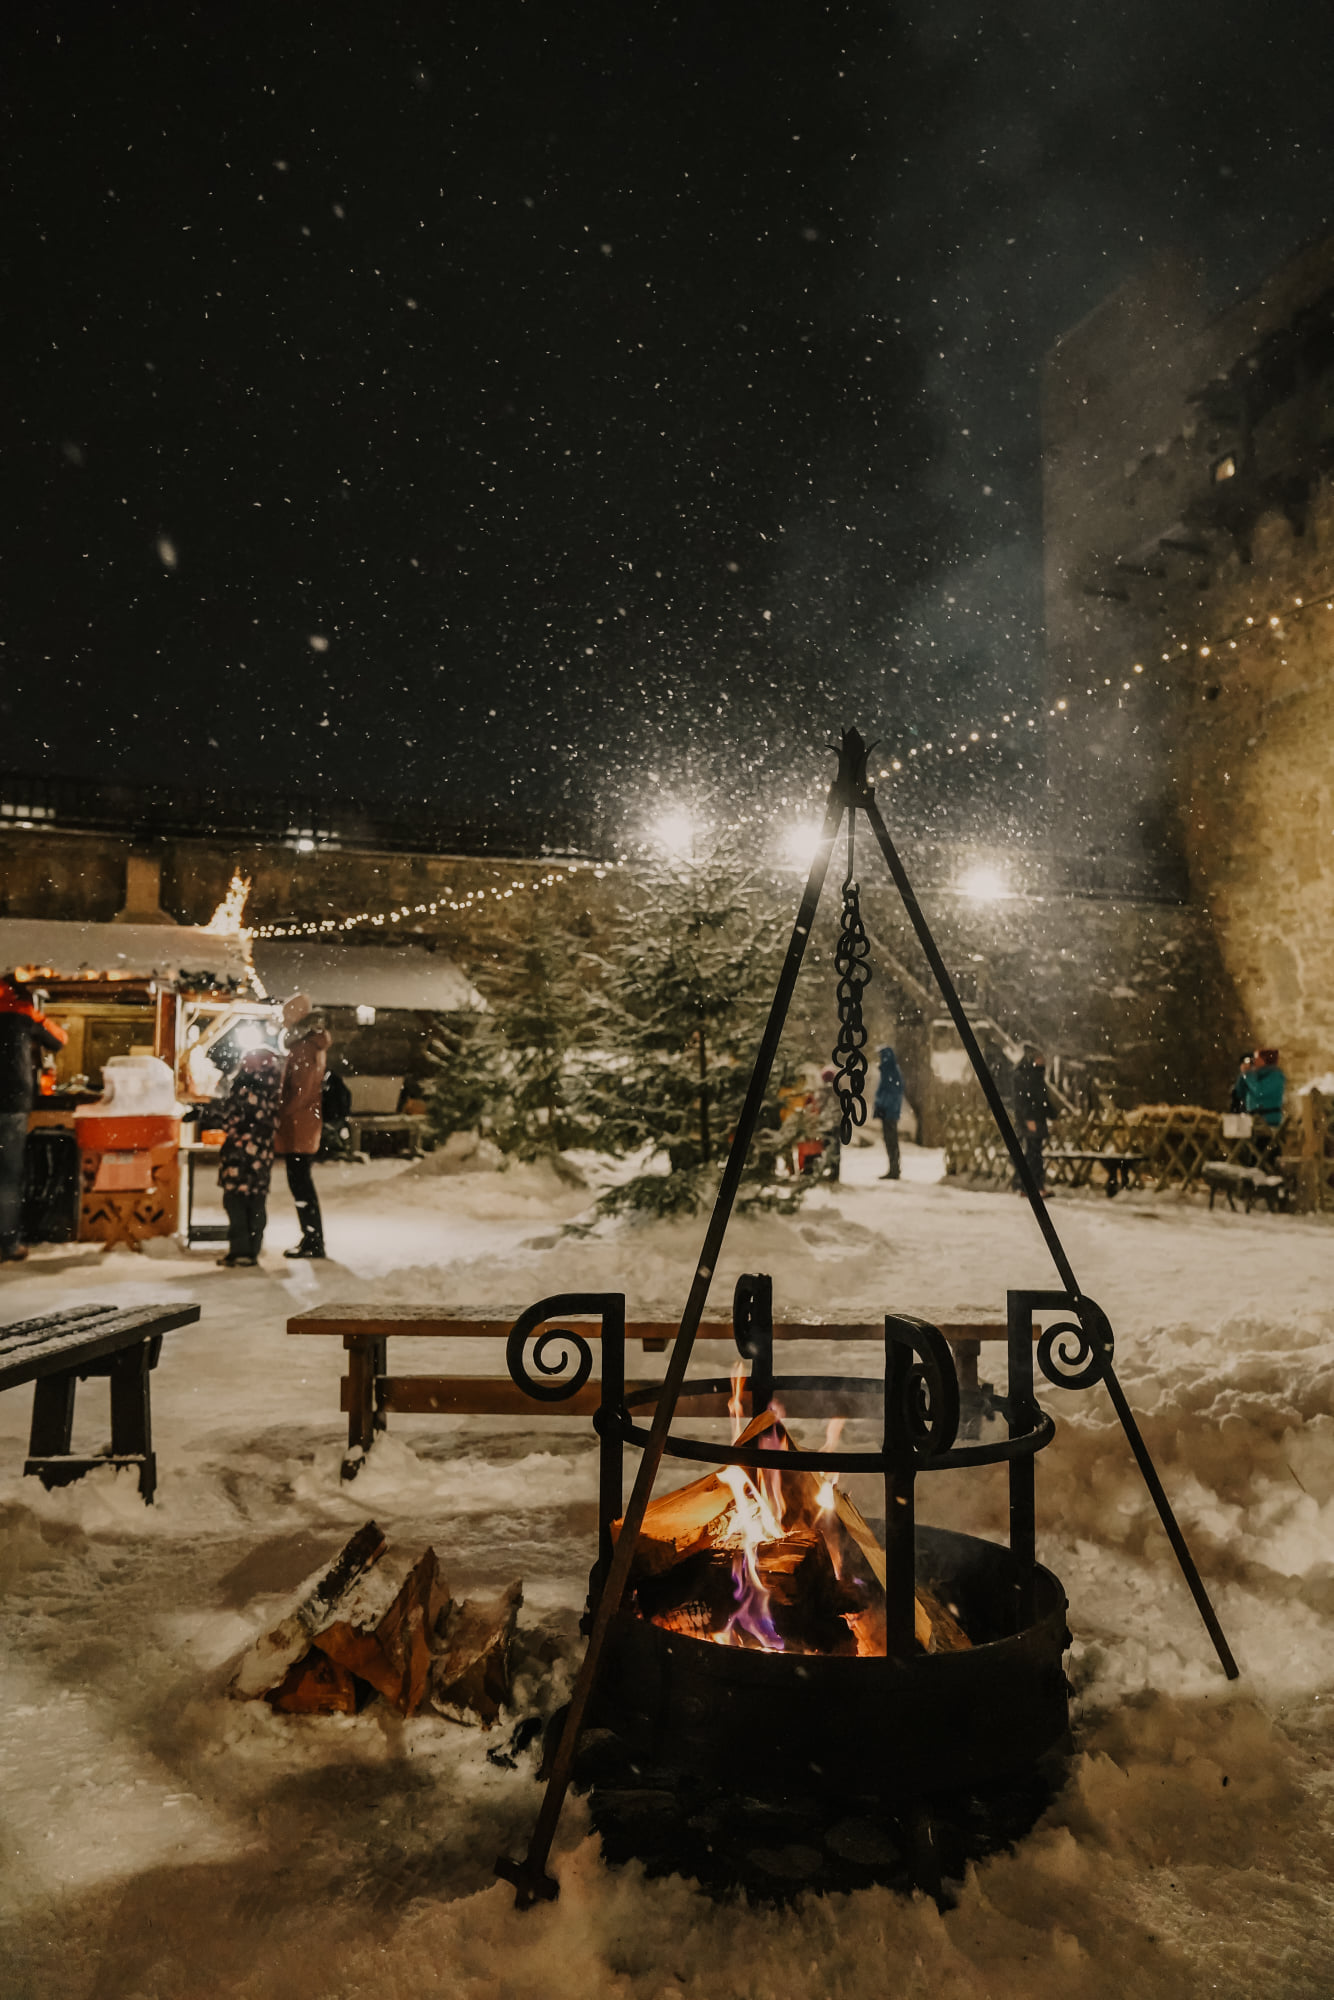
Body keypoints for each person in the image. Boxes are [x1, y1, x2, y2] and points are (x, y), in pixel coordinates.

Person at [0, 976, 67, 1264]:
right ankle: (8, 1244)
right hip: (12, 1103)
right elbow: (60, 1040)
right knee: (8, 1178)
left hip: (12, 1102)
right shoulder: (22, 1013)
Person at [276, 993, 332, 1258]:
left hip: (299, 1126)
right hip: (306, 1124)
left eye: (287, 1016)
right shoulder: (312, 1046)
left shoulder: (303, 1049)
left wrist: (281, 1113)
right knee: (301, 1183)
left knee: (300, 1184)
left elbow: (301, 1091)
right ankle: (312, 1237)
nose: (283, 1022)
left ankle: (313, 1239)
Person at [217, 1042, 283, 1265]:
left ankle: (240, 1250)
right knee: (256, 1201)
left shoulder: (246, 1087)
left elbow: (232, 1117)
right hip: (261, 1154)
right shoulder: (273, 1087)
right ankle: (252, 1249)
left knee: (235, 1201)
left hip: (240, 1154)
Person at [1012, 1045, 1055, 1196]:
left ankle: (1029, 1186)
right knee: (1033, 1155)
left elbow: (1041, 1097)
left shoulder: (1035, 1074)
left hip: (1037, 1118)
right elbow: (1025, 1099)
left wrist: (1051, 1113)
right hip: (1032, 1119)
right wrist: (1028, 1117)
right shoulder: (1027, 1076)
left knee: (1034, 1154)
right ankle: (1032, 1186)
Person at [872, 1044, 904, 1181]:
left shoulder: (890, 1071)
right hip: (889, 1111)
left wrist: (882, 1105)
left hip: (889, 1112)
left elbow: (892, 1092)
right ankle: (893, 1168)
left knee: (891, 1140)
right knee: (890, 1140)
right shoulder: (889, 1070)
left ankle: (894, 1169)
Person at [1243, 1046, 1285, 1144]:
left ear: (1265, 1061)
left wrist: (1248, 1074)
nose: (1254, 1061)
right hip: (1257, 1122)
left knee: (1265, 1151)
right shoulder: (1258, 1075)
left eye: (1257, 1058)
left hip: (1268, 1122)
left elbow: (1259, 1091)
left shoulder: (1275, 1076)